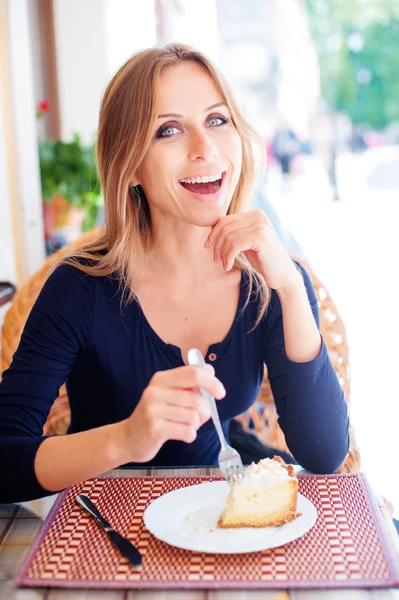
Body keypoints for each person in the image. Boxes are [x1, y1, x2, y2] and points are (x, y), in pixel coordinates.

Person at [0, 44, 349, 504]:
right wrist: (125, 439)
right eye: (168, 130)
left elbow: (324, 455)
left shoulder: (270, 283)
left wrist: (288, 286)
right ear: (129, 166)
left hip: (222, 522)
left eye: (217, 120)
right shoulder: (78, 289)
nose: (204, 149)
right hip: (104, 536)